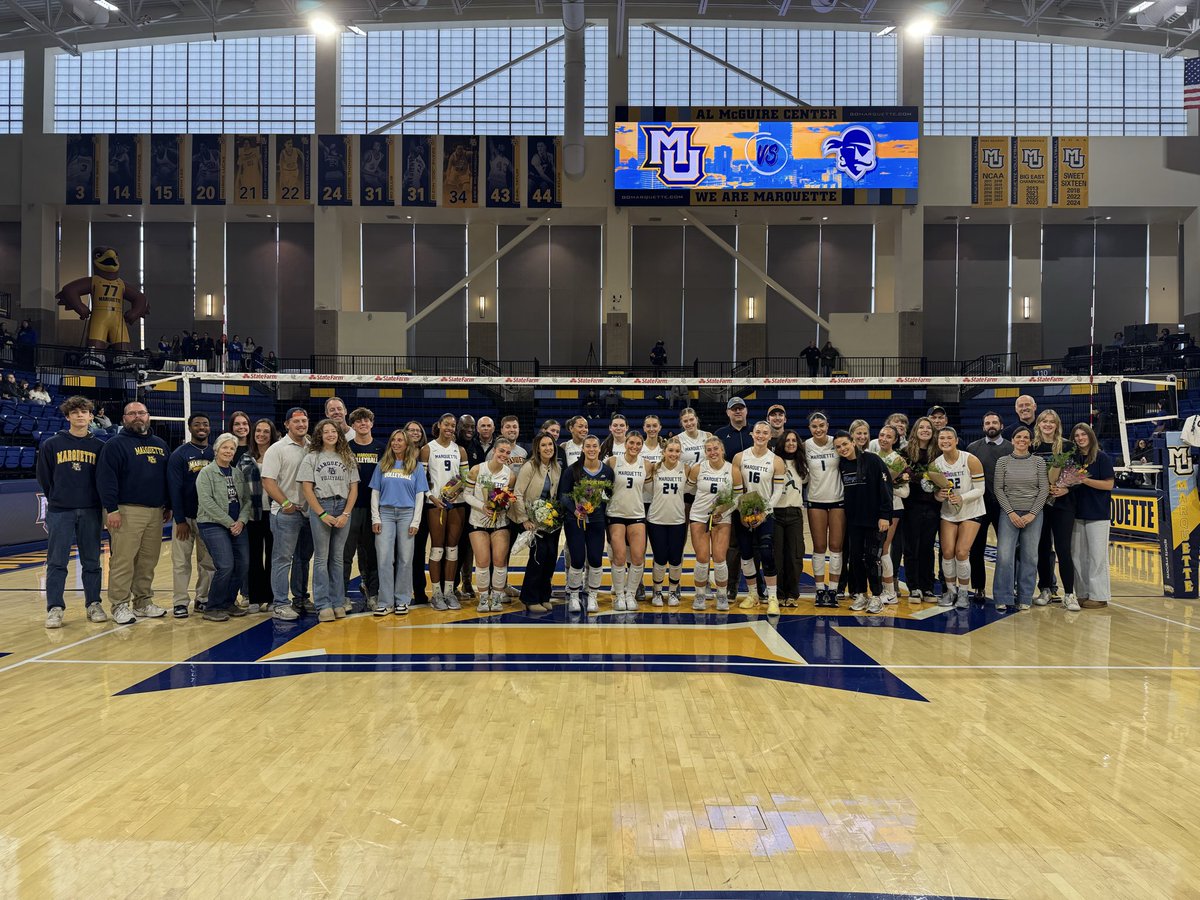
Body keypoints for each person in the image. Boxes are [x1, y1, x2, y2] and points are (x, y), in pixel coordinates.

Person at [97, 401, 171, 625]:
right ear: (124, 418)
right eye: (132, 414)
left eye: (141, 413)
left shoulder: (160, 444)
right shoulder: (114, 445)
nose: (137, 417)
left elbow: (166, 478)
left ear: (148, 416)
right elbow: (106, 479)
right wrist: (112, 510)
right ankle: (119, 604)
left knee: (148, 560)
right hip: (126, 511)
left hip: (156, 511)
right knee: (123, 560)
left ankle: (143, 602)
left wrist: (168, 505)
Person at [36, 395, 105, 628]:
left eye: (84, 412)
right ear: (67, 416)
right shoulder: (52, 444)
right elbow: (44, 478)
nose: (79, 416)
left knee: (92, 561)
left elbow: (103, 479)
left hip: (90, 509)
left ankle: (93, 603)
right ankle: (55, 608)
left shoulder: (99, 446)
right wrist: (58, 497)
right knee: (56, 561)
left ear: (90, 416)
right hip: (61, 510)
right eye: (74, 412)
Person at [299, 418, 359, 622]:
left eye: (334, 431)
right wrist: (322, 514)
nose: (331, 434)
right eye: (326, 432)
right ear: (320, 435)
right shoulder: (312, 457)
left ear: (339, 434)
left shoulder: (347, 456)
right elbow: (307, 488)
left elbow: (354, 489)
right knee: (322, 558)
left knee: (337, 558)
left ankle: (337, 601)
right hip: (322, 506)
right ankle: (323, 603)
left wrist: (346, 514)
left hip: (342, 507)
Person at [261, 406, 315, 621]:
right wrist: (285, 503)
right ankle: (280, 603)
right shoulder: (277, 448)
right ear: (286, 424)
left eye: (304, 420)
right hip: (286, 513)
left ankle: (300, 598)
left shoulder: (312, 447)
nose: (301, 424)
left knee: (303, 559)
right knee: (283, 559)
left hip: (309, 514)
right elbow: (268, 481)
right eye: (296, 421)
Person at [371, 428, 429, 616]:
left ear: (407, 444)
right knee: (385, 557)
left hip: (407, 514)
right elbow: (375, 492)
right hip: (386, 513)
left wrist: (416, 521)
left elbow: (420, 495)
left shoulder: (416, 466)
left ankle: (402, 599)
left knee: (405, 558)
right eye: (393, 440)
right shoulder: (383, 464)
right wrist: (376, 517)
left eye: (400, 440)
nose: (396, 443)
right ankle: (385, 601)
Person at [833, 431, 893, 614]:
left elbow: (886, 488)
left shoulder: (872, 460)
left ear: (853, 442)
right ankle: (860, 593)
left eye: (845, 444)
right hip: (854, 520)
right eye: (838, 447)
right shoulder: (842, 464)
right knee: (856, 558)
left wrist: (885, 515)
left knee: (872, 558)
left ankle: (876, 596)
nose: (842, 449)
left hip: (875, 519)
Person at [992, 426, 1049, 613]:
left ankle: (1025, 597)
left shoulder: (1039, 462)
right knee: (1004, 556)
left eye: (1026, 437)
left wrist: (1032, 513)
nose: (1022, 440)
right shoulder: (1003, 461)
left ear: (1031, 441)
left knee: (1030, 557)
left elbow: (1044, 489)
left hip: (1033, 514)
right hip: (1009, 514)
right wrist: (1011, 513)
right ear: (1013, 440)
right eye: (1019, 437)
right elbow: (998, 489)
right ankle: (1003, 597)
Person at [194, 433, 251, 622]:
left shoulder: (237, 473)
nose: (228, 451)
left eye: (232, 448)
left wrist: (241, 521)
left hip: (237, 525)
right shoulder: (207, 473)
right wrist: (229, 523)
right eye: (225, 447)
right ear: (216, 450)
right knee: (225, 565)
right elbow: (206, 502)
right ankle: (213, 606)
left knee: (242, 565)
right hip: (213, 524)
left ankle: (228, 602)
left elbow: (246, 500)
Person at [733, 421, 786, 614]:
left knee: (766, 554)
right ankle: (753, 594)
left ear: (770, 436)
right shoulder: (740, 457)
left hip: (765, 513)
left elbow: (778, 490)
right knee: (746, 555)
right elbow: (737, 488)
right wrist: (743, 510)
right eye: (758, 432)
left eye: (765, 433)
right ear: (752, 434)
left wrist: (765, 511)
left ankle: (772, 597)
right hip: (744, 511)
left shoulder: (776, 460)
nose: (761, 435)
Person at [558, 434, 615, 614]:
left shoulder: (607, 471)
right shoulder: (572, 470)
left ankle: (592, 595)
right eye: (588, 446)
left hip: (597, 520)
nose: (591, 449)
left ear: (599, 449)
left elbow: (609, 494)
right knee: (577, 558)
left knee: (596, 559)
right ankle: (574, 595)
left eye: (594, 446)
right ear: (583, 449)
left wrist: (598, 505)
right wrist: (575, 510)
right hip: (575, 520)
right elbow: (563, 495)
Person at [932, 426, 986, 609]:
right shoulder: (936, 464)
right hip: (948, 512)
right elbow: (937, 494)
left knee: (962, 552)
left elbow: (980, 489)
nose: (945, 441)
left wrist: (961, 497)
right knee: (947, 552)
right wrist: (940, 495)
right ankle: (950, 591)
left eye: (949, 438)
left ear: (956, 440)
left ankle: (963, 592)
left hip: (971, 511)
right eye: (942, 439)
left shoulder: (970, 459)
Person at [687, 437, 744, 611]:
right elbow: (689, 490)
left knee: (720, 558)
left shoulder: (732, 470)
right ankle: (700, 595)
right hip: (699, 516)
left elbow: (737, 497)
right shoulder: (698, 469)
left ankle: (721, 595)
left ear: (722, 450)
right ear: (705, 452)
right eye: (709, 449)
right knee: (702, 558)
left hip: (722, 518)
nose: (712, 452)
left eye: (715, 449)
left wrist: (723, 511)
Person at [167, 413, 215, 618]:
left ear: (210, 428)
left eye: (205, 424)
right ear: (190, 428)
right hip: (185, 517)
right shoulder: (179, 454)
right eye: (197, 424)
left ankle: (203, 599)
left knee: (208, 562)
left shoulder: (216, 453)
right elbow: (174, 489)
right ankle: (180, 602)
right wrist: (179, 520)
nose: (201, 427)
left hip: (208, 518)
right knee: (180, 562)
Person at [421, 413, 469, 611]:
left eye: (453, 425)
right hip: (436, 504)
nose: (449, 428)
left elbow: (466, 479)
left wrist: (456, 490)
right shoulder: (427, 449)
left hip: (457, 503)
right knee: (437, 548)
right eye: (446, 424)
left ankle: (449, 591)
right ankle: (436, 593)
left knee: (452, 548)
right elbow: (421, 479)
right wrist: (432, 498)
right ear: (439, 425)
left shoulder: (461, 450)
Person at [511, 431, 563, 613]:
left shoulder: (556, 467)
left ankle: (544, 596)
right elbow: (517, 493)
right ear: (538, 449)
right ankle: (530, 598)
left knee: (550, 558)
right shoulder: (530, 467)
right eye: (544, 445)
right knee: (537, 559)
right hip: (533, 521)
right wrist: (524, 519)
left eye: (550, 445)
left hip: (551, 522)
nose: (548, 448)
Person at [464, 437, 516, 611]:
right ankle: (483, 598)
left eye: (507, 453)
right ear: (494, 450)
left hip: (500, 523)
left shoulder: (510, 475)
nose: (504, 455)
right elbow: (467, 495)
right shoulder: (477, 470)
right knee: (482, 561)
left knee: (500, 561)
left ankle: (496, 598)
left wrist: (504, 505)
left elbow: (509, 498)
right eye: (501, 451)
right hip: (478, 522)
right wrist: (482, 506)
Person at [1032, 410, 1077, 608]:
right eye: (1044, 421)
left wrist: (1066, 487)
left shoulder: (1067, 445)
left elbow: (1078, 474)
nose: (1048, 425)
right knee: (1042, 549)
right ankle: (1045, 589)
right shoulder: (1032, 446)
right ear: (1039, 424)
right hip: (1039, 504)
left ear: (1057, 425)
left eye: (1052, 422)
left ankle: (1069, 593)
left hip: (1062, 505)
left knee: (1063, 549)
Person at [966, 413, 1012, 603]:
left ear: (1001, 425)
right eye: (987, 423)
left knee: (1007, 551)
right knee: (976, 549)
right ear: (983, 426)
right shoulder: (973, 448)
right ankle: (978, 587)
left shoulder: (1011, 447)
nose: (991, 425)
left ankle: (1008, 589)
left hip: (1004, 506)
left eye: (994, 422)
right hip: (978, 506)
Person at [343, 407, 385, 612]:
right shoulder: (345, 448)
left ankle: (373, 592)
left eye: (366, 420)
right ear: (352, 425)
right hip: (350, 508)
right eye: (358, 421)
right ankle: (341, 595)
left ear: (372, 423)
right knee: (346, 553)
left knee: (372, 553)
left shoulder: (381, 449)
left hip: (374, 508)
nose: (363, 424)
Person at [1070, 423, 1116, 610]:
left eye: (1083, 434)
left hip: (1097, 513)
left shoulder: (1102, 457)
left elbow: (1108, 485)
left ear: (1090, 436)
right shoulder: (1072, 459)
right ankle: (1081, 593)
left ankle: (1099, 595)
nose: (1080, 438)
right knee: (1078, 556)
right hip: (1076, 513)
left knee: (1097, 556)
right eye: (1077, 436)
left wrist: (1084, 480)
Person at [717, 397, 756, 602]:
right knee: (732, 545)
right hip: (730, 496)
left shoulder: (756, 433)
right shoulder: (721, 435)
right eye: (734, 409)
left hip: (754, 498)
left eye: (741, 408)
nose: (738, 412)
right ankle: (731, 586)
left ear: (746, 411)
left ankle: (758, 588)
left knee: (756, 543)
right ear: (728, 413)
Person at [605, 431, 649, 611]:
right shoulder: (613, 461)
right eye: (631, 443)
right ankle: (620, 595)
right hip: (615, 513)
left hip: (637, 514)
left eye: (638, 444)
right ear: (626, 443)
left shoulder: (646, 464)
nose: (634, 446)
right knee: (620, 557)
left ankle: (631, 594)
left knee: (638, 558)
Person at [238, 417, 278, 612]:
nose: (261, 435)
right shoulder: (245, 458)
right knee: (253, 556)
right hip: (252, 514)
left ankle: (272, 597)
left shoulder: (278, 455)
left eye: (266, 431)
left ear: (272, 434)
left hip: (275, 513)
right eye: (258, 431)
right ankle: (254, 597)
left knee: (273, 556)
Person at [805, 412, 844, 607]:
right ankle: (820, 590)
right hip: (815, 500)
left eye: (821, 425)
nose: (818, 429)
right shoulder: (806, 446)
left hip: (837, 500)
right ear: (810, 428)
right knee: (820, 547)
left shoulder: (836, 442)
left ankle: (834, 591)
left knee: (836, 546)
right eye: (814, 426)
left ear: (827, 425)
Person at [646, 437, 688, 607]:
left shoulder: (686, 469)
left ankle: (672, 591)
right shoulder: (655, 469)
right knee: (660, 557)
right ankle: (657, 591)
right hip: (656, 519)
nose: (674, 454)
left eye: (677, 451)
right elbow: (648, 491)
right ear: (663, 452)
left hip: (678, 520)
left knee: (676, 558)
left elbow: (690, 489)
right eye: (670, 450)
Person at [902, 416, 940, 602]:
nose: (925, 430)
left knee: (927, 547)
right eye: (922, 427)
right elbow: (900, 478)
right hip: (911, 506)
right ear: (915, 430)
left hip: (933, 506)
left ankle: (928, 586)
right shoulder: (905, 453)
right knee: (912, 547)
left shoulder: (938, 453)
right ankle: (914, 587)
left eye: (929, 428)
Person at [771, 430, 807, 607]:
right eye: (788, 440)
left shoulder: (802, 463)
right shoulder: (774, 461)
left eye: (794, 440)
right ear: (782, 443)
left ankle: (792, 593)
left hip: (794, 513)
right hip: (775, 513)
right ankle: (777, 593)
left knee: (794, 555)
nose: (791, 443)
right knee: (777, 555)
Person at [873, 424, 908, 604]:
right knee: (875, 550)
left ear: (895, 440)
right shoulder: (872, 457)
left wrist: (887, 487)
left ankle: (890, 590)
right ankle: (878, 589)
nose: (884, 438)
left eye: (888, 436)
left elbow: (905, 492)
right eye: (881, 434)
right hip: (873, 510)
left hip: (893, 509)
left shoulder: (898, 460)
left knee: (884, 549)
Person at [404, 421, 431, 603]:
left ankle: (419, 591)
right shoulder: (395, 454)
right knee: (401, 553)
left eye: (418, 430)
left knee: (419, 552)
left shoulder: (427, 452)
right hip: (401, 507)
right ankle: (400, 592)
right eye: (411, 430)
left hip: (422, 507)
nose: (415, 432)